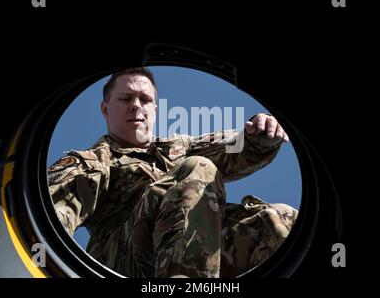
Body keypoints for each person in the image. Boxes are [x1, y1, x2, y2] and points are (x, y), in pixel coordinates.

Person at [47, 67, 298, 278]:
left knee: (280, 219)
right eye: (126, 99)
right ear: (105, 109)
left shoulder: (179, 147)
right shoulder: (92, 161)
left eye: (145, 100)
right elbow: (53, 213)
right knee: (198, 167)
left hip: (197, 245)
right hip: (128, 262)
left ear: (155, 110)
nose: (136, 106)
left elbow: (233, 146)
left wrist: (259, 133)